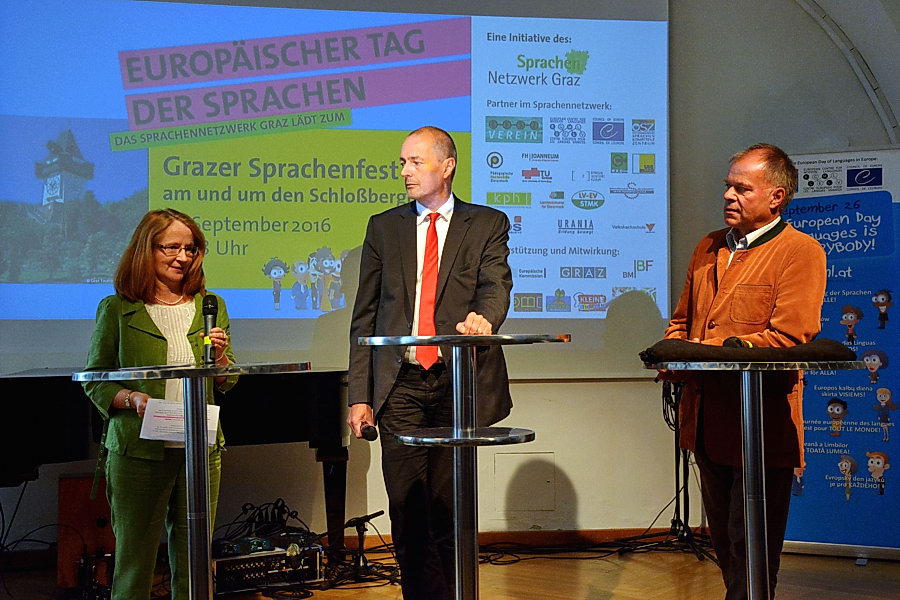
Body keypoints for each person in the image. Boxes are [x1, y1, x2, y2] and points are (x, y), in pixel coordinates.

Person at [347, 126, 512, 600]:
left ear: (448, 165)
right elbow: (365, 316)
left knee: (449, 505)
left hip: (456, 381)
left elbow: (495, 284)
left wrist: (485, 319)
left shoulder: (487, 223)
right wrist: (360, 394)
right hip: (398, 383)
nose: (405, 172)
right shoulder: (384, 227)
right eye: (402, 163)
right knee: (407, 506)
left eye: (416, 162)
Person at [663, 143, 826, 599]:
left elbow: (790, 336)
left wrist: (704, 350)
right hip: (705, 419)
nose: (728, 195)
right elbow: (682, 322)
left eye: (742, 188)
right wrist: (672, 355)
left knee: (751, 542)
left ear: (776, 196)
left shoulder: (801, 251)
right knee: (724, 541)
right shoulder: (708, 245)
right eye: (727, 186)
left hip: (760, 424)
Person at [82, 208, 237, 599]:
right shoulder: (117, 308)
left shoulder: (211, 304)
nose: (182, 257)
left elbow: (227, 379)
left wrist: (220, 357)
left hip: (200, 449)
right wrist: (132, 398)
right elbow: (96, 379)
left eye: (190, 248)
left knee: (194, 559)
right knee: (135, 561)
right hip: (138, 449)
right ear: (146, 250)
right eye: (171, 247)